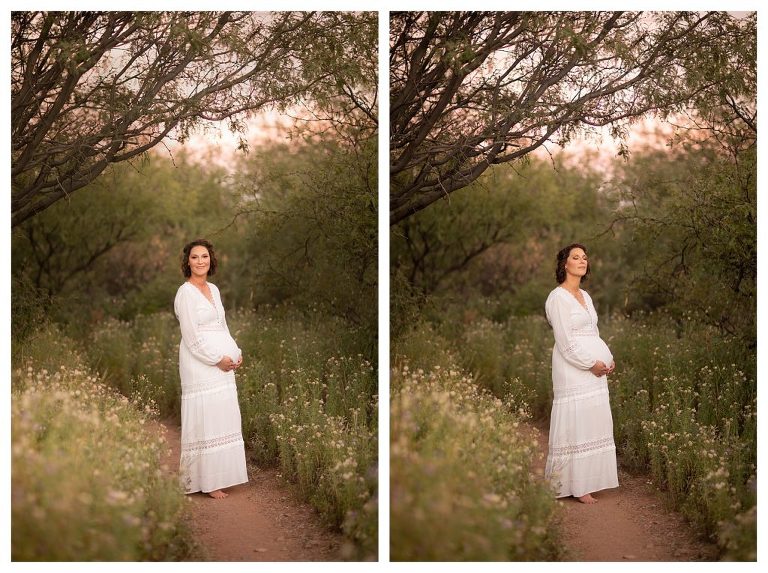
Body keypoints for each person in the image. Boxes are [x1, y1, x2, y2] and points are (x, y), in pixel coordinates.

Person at [544, 243, 619, 504]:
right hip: (573, 368)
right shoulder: (557, 297)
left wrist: (607, 358)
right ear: (564, 263)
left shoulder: (585, 296)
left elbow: (593, 333)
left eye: (585, 257)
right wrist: (590, 363)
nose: (582, 261)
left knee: (592, 420)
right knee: (576, 422)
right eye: (575, 257)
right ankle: (575, 485)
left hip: (595, 370)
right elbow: (566, 343)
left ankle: (589, 480)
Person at [174, 238, 248, 499]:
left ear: (211, 259)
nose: (200, 261)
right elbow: (192, 337)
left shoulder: (214, 290)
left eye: (204, 256)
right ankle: (205, 482)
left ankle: (221, 475)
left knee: (222, 415)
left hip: (222, 361)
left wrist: (235, 353)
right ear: (187, 262)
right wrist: (216, 358)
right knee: (205, 418)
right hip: (200, 362)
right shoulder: (185, 293)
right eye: (194, 257)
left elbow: (223, 327)